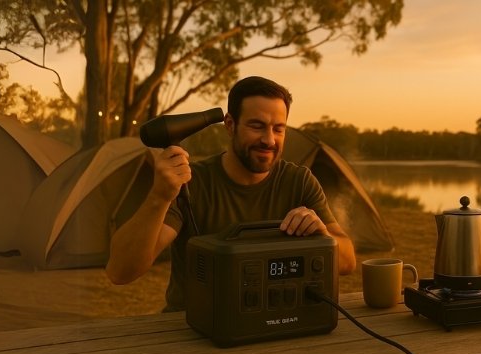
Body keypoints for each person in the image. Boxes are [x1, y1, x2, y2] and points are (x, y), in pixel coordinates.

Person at [105, 76, 357, 312]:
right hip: (194, 328)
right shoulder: (193, 183)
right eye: (257, 126)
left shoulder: (298, 181)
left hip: (271, 322)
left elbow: (347, 263)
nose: (269, 140)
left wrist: (323, 238)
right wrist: (160, 196)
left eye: (278, 128)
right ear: (230, 124)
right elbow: (121, 272)